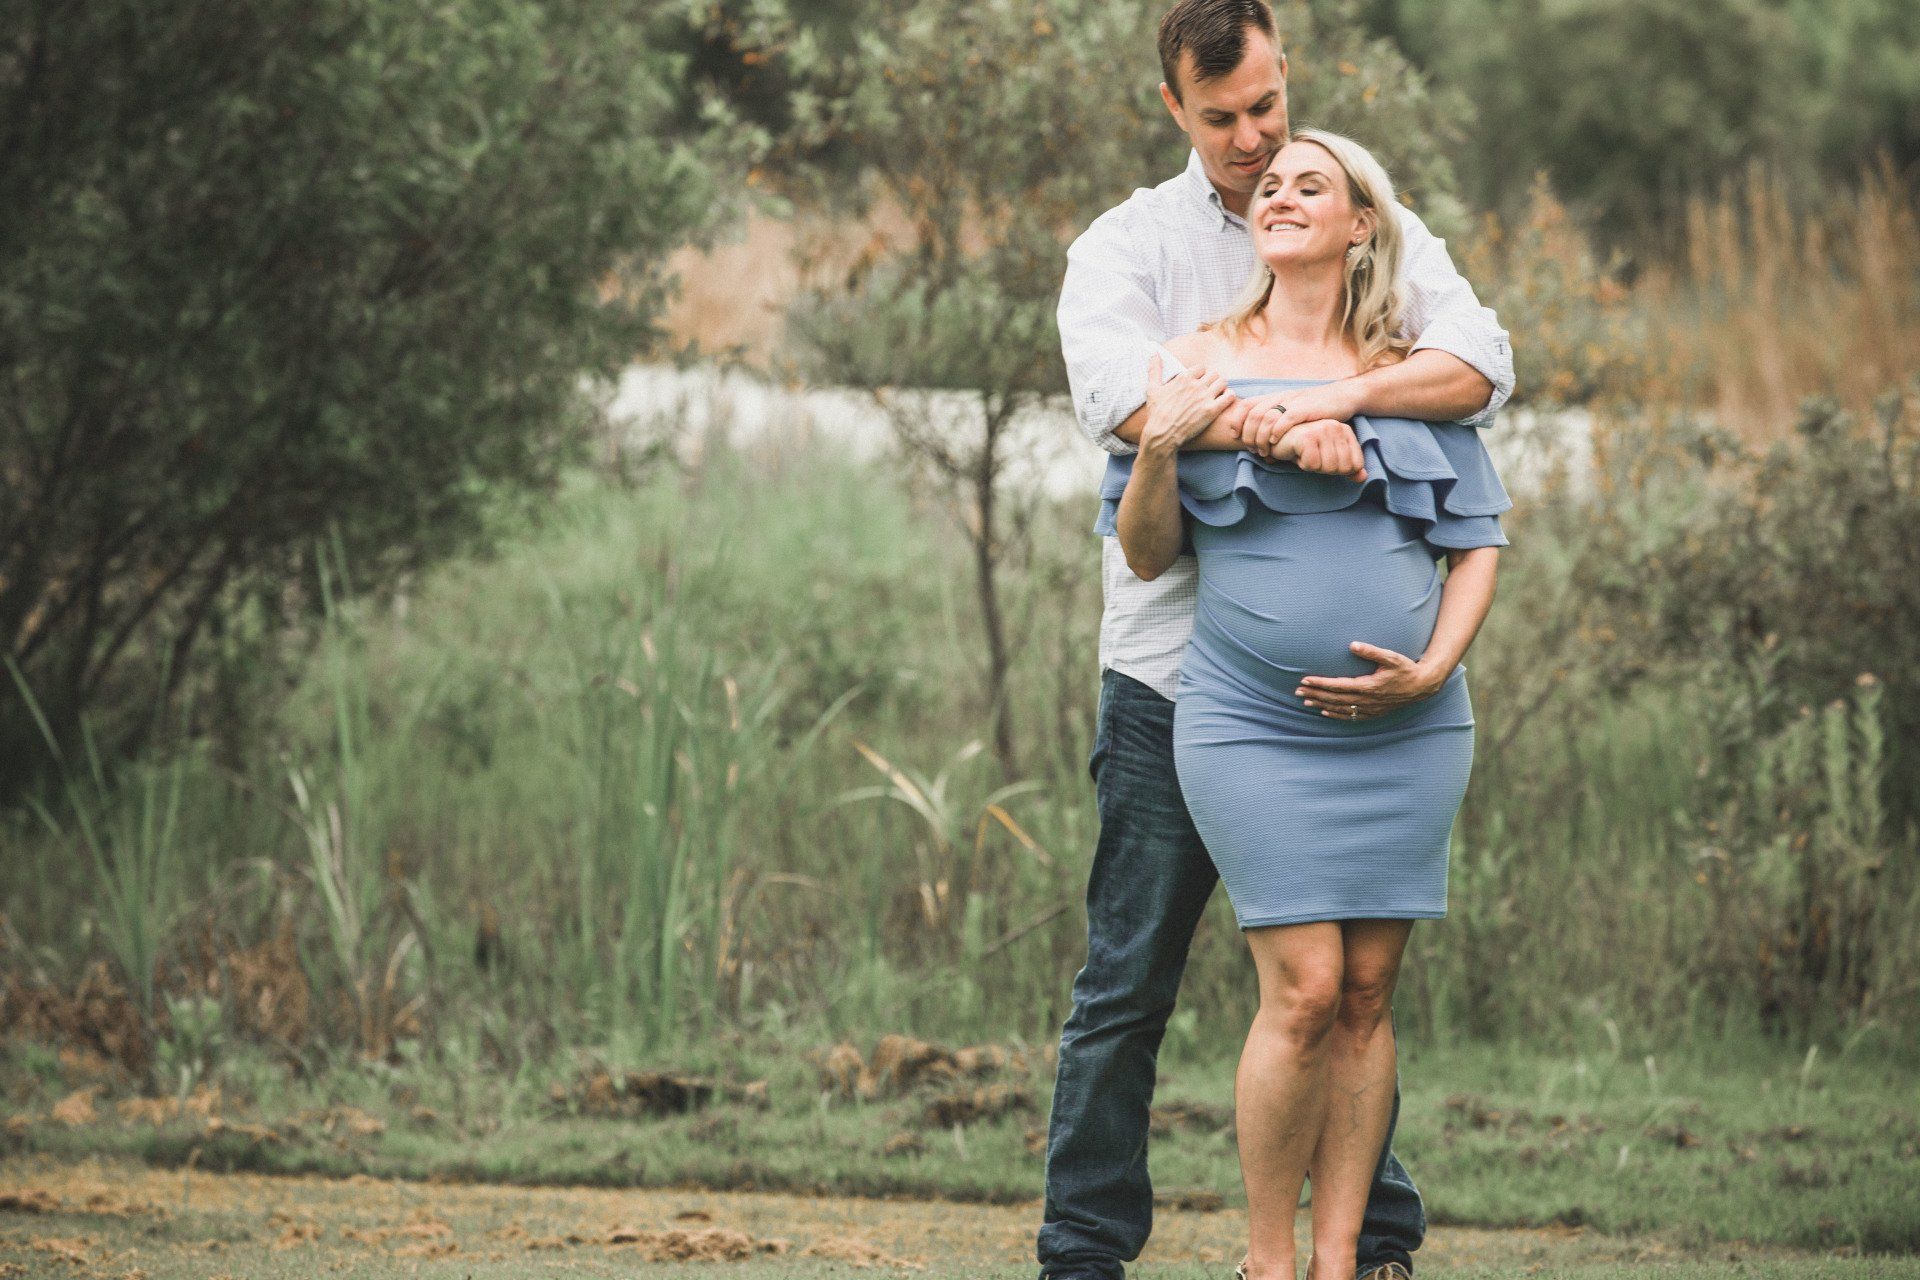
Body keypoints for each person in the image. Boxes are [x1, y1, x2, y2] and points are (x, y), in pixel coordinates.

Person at [1039, 3, 1514, 1280]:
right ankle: (1084, 1252)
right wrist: (1268, 425)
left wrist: (1345, 394)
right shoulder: (1128, 248)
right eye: (1223, 121)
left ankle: (1368, 1244)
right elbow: (1121, 398)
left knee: (1346, 986)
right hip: (1175, 675)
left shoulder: (1361, 208)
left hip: (1368, 707)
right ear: (1174, 110)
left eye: (1267, 108)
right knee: (1131, 978)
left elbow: (1478, 361)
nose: (1255, 144)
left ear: (1285, 75)